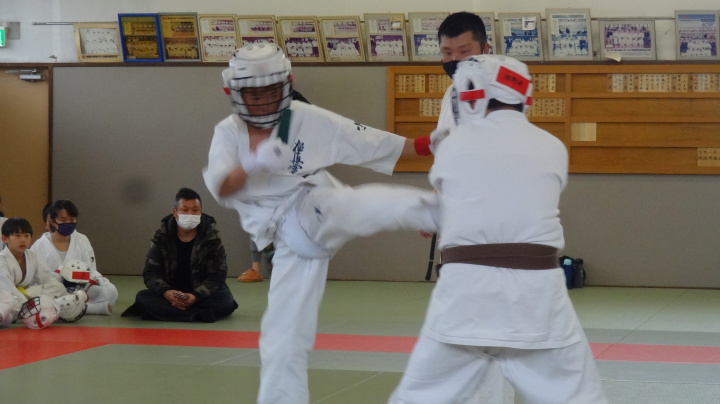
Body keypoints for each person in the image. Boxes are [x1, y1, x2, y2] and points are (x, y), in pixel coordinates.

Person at [202, 43, 436, 403]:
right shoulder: (228, 131)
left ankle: (439, 211)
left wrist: (426, 144)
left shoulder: (303, 117)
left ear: (287, 84)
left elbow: (364, 140)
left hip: (313, 202)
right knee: (281, 336)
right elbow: (221, 187)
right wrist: (252, 163)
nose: (263, 101)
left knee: (357, 205)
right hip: (288, 239)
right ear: (233, 93)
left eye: (271, 91)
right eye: (253, 94)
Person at [389, 55, 607, 404]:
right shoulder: (553, 147)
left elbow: (445, 205)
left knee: (418, 397)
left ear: (471, 94)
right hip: (537, 296)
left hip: (465, 295)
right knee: (579, 396)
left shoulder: (454, 145)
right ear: (524, 95)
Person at [121, 188, 238, 323]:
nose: (190, 214)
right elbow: (151, 273)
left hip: (200, 294)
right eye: (185, 210)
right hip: (170, 292)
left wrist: (196, 296)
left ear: (201, 212)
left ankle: (166, 314)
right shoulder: (161, 236)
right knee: (142, 297)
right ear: (175, 212)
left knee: (225, 300)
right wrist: (166, 292)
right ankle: (197, 315)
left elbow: (218, 275)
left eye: (195, 210)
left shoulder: (211, 238)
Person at [31, 200, 118, 315]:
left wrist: (96, 280)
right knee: (39, 296)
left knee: (110, 291)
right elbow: (35, 276)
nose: (68, 223)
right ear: (52, 222)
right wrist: (57, 277)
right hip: (53, 290)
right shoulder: (39, 245)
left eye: (72, 220)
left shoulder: (80, 242)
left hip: (79, 289)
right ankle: (90, 308)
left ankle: (70, 306)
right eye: (63, 220)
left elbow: (90, 269)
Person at [0, 217, 88, 329]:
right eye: (17, 236)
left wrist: (64, 293)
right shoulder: (1, 260)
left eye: (26, 236)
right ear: (4, 238)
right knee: (9, 304)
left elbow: (46, 277)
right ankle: (52, 306)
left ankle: (47, 307)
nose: (23, 240)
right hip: (6, 296)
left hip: (25, 294)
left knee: (57, 287)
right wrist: (29, 304)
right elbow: (9, 290)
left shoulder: (31, 255)